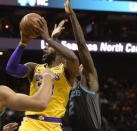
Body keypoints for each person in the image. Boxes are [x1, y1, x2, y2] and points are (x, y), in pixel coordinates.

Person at [6, 17, 79, 130]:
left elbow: (73, 58)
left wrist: (50, 39)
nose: (45, 48)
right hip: (30, 123)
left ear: (58, 50)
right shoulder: (34, 68)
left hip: (52, 125)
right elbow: (11, 69)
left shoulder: (67, 71)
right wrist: (22, 43)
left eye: (48, 46)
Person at [65, 0, 102, 130]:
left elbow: (82, 47)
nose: (80, 65)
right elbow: (58, 58)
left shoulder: (90, 81)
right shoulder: (70, 84)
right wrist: (53, 39)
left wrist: (72, 16)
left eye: (81, 64)